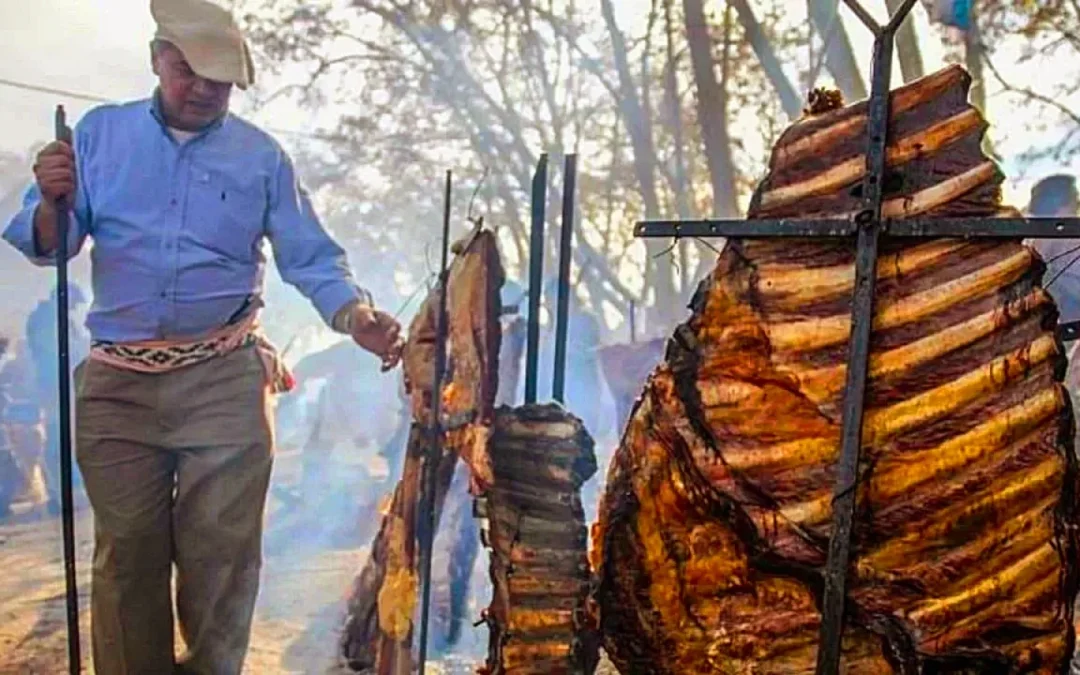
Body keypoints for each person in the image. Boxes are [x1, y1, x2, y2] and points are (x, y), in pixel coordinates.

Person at [1, 0, 403, 672]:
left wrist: (354, 316)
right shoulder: (98, 136)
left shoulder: (261, 157)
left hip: (224, 377)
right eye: (188, 71)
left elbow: (311, 257)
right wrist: (50, 198)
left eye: (218, 80)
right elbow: (54, 243)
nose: (201, 89)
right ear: (158, 57)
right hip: (118, 384)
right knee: (128, 550)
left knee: (221, 552)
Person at [25, 283, 90, 514]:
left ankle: (62, 490)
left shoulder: (52, 317)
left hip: (62, 383)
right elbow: (56, 349)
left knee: (64, 435)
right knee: (57, 438)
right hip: (54, 384)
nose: (74, 308)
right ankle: (57, 491)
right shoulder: (46, 319)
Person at [1026, 175, 1080, 321]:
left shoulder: (1028, 238)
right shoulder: (1067, 238)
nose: (1077, 205)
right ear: (1063, 205)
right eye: (1075, 199)